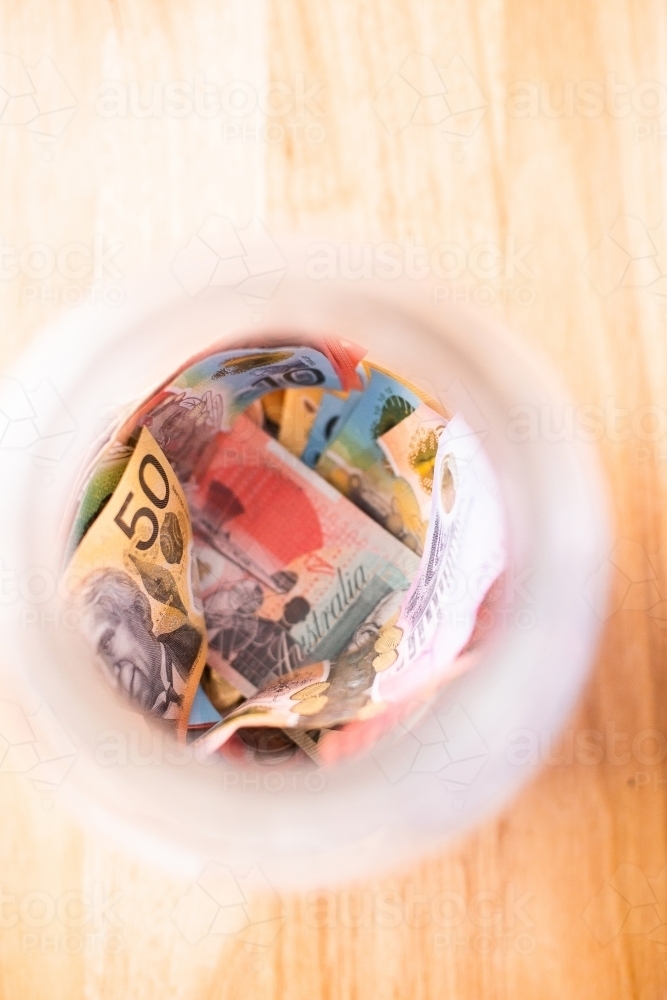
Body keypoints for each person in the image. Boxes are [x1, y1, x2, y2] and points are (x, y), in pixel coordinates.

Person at [78, 569, 202, 718]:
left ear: (140, 610)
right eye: (95, 671)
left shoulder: (201, 637)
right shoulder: (134, 736)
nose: (113, 682)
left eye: (106, 644)